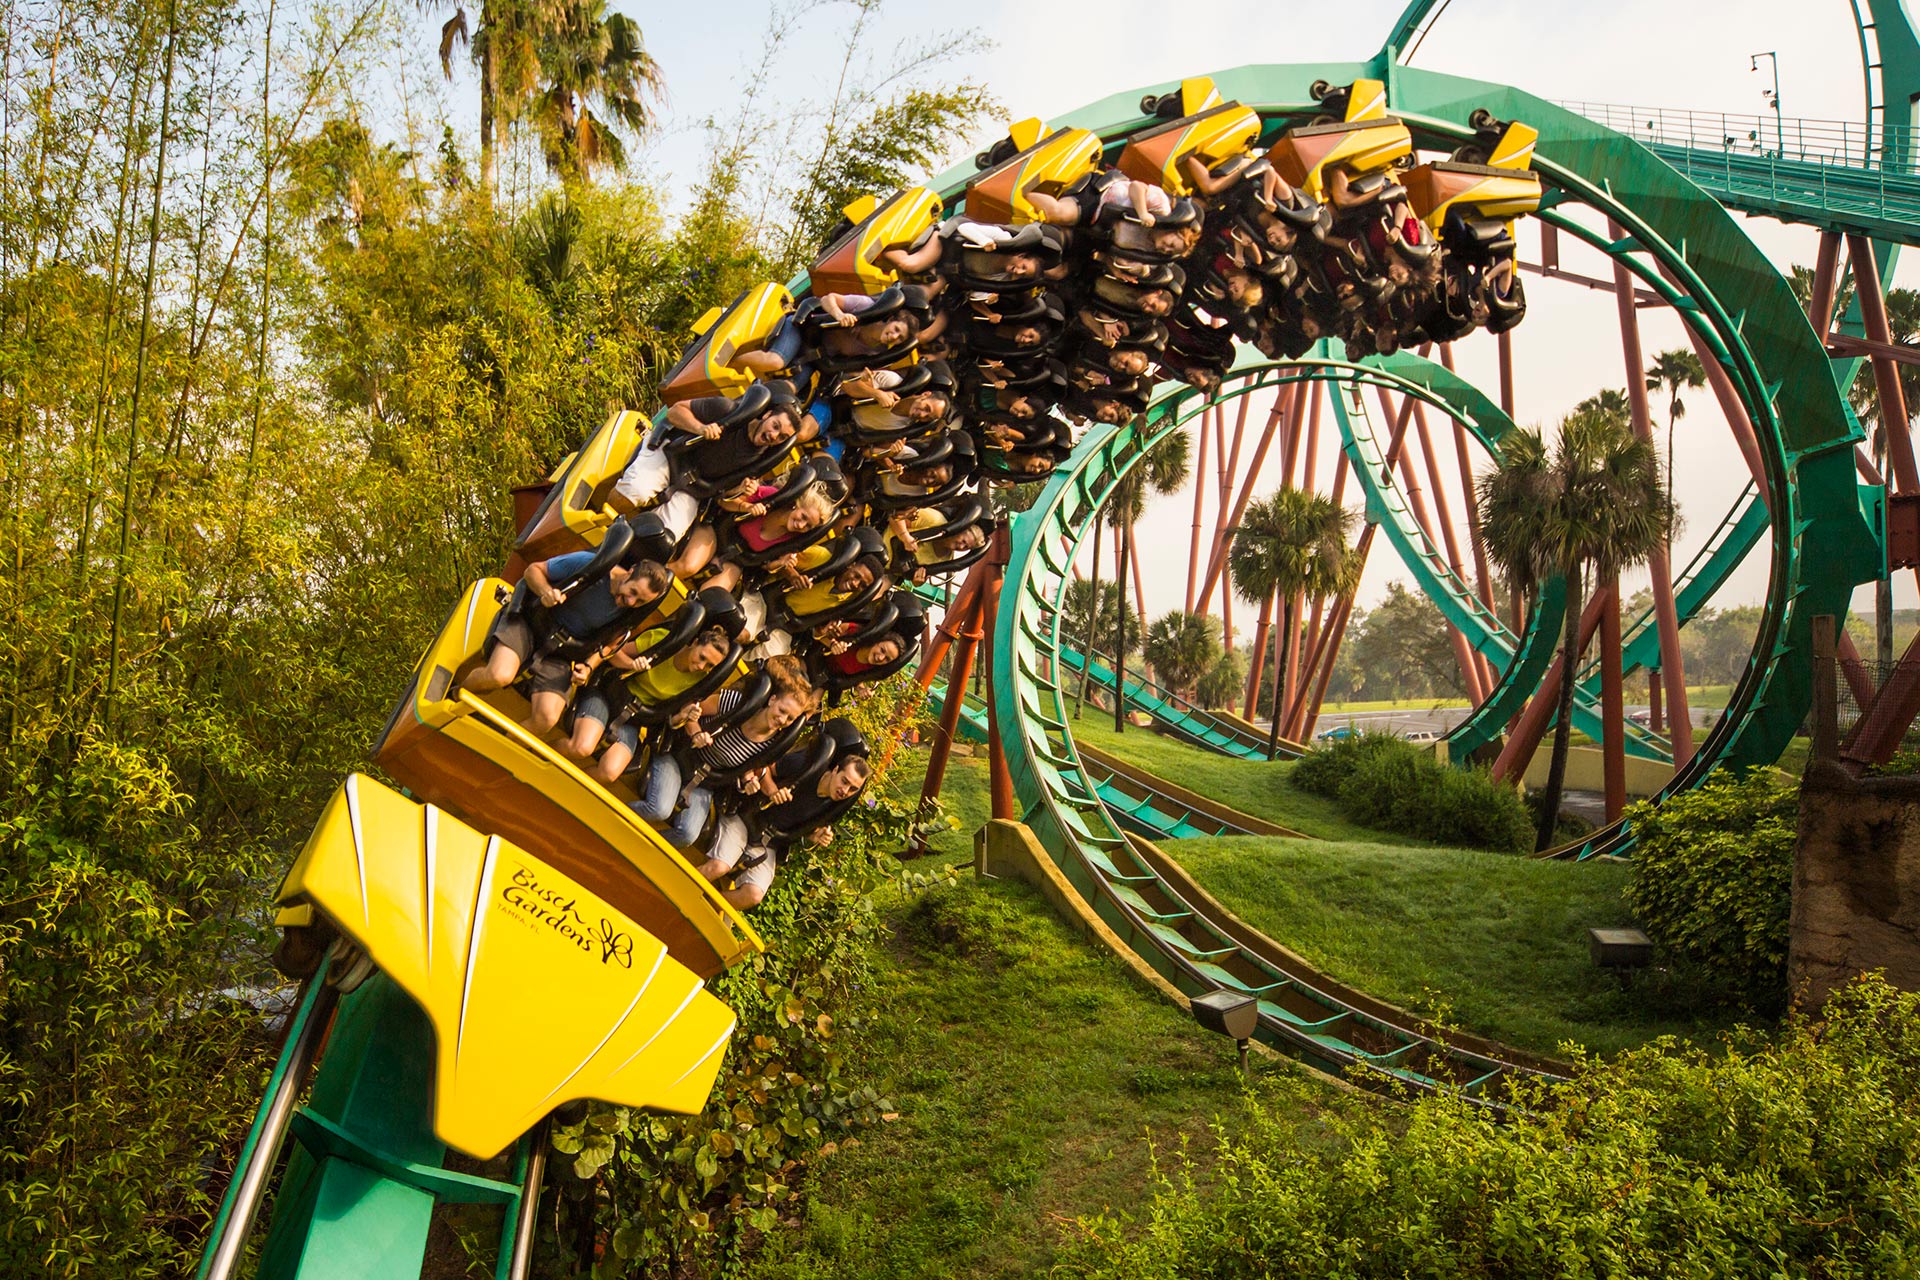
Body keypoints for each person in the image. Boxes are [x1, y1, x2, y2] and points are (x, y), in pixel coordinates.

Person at [463, 552, 672, 732]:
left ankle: (498, 743)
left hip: (560, 653)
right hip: (530, 626)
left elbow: (608, 645)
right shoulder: (591, 564)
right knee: (499, 675)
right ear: (630, 571)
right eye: (633, 592)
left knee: (546, 719)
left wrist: (589, 667)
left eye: (640, 601)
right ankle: (454, 696)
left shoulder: (629, 611)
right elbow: (533, 571)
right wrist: (546, 591)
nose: (631, 602)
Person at [633, 655, 816, 849]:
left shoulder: (774, 741)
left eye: (789, 719)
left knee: (687, 834)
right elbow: (693, 710)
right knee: (659, 809)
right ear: (772, 700)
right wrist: (696, 734)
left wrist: (751, 781)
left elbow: (752, 767)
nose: (782, 720)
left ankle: (642, 848)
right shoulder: (739, 703)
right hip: (682, 758)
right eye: (782, 710)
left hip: (707, 781)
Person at [697, 738, 871, 909]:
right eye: (845, 781)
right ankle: (682, 888)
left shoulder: (834, 804)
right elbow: (763, 767)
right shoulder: (806, 767)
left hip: (768, 841)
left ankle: (702, 908)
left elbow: (802, 826)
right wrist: (773, 791)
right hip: (746, 817)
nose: (845, 790)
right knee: (719, 867)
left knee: (753, 895)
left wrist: (814, 835)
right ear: (835, 770)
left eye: (852, 789)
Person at [568, 622, 734, 783]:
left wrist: (690, 722)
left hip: (634, 719)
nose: (701, 666)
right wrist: (631, 664)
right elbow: (612, 651)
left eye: (709, 665)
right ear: (695, 642)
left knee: (609, 772)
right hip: (609, 697)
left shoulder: (700, 680)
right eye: (702, 657)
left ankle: (567, 787)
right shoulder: (664, 640)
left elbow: (684, 714)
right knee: (582, 747)